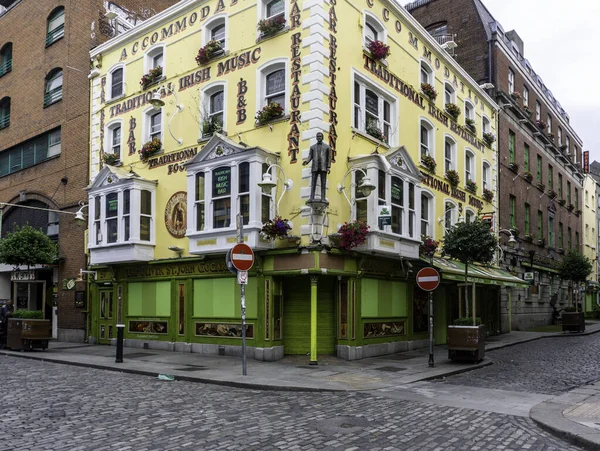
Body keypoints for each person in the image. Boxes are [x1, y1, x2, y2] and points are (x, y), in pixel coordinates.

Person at [303, 132, 331, 202]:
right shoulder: (312, 147)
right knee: (313, 183)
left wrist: (328, 167)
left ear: (322, 137)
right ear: (316, 137)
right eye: (318, 136)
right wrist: (306, 161)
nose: (319, 137)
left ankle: (323, 198)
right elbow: (310, 156)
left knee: (323, 184)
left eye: (320, 136)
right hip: (315, 166)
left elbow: (329, 158)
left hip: (323, 167)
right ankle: (311, 197)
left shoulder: (327, 147)